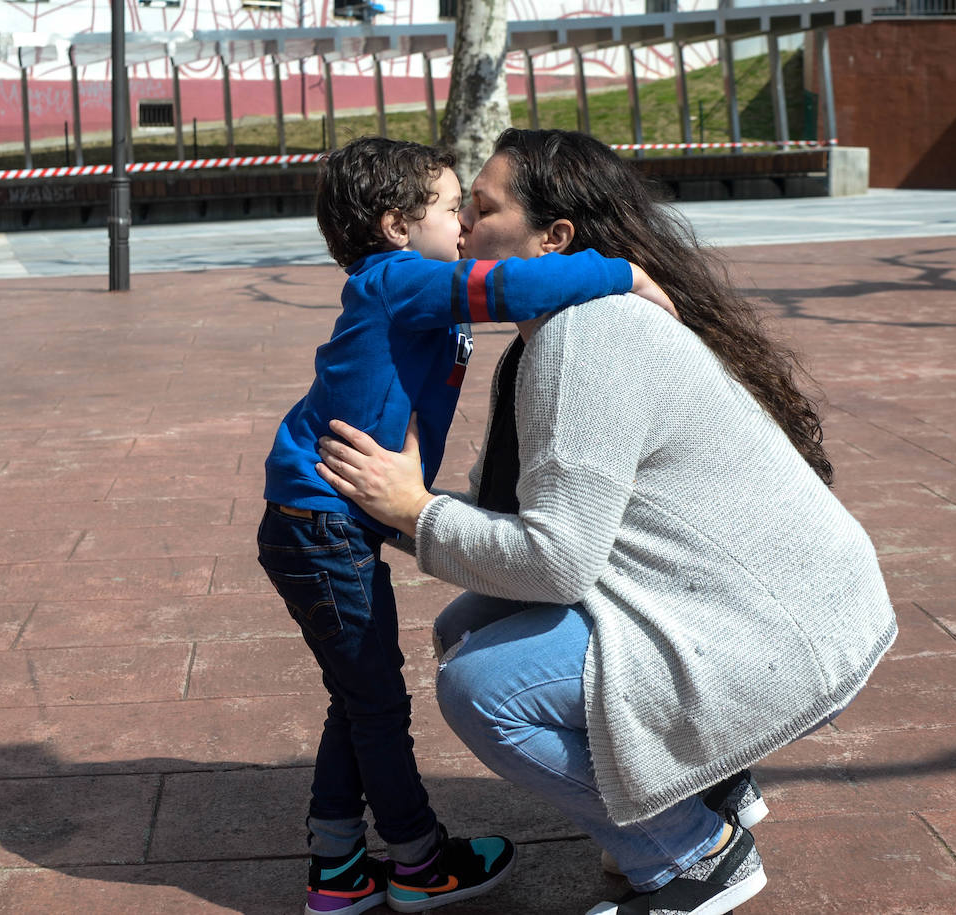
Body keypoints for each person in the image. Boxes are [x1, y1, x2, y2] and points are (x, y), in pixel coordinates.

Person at [314, 128, 898, 915]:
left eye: (479, 209)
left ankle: (694, 856)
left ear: (553, 241)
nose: (460, 229)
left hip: (780, 629)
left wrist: (418, 513)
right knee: (465, 626)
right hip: (730, 599)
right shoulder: (541, 341)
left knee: (482, 689)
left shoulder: (583, 337)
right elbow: (525, 531)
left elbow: (556, 562)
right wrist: (412, 509)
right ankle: (713, 784)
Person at [258, 134, 672, 915]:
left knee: (360, 696)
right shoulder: (402, 279)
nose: (464, 226)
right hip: (320, 527)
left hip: (326, 525)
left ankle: (338, 864)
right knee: (376, 703)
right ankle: (414, 859)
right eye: (453, 209)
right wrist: (626, 272)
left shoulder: (404, 280)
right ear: (394, 225)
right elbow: (513, 286)